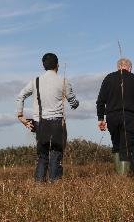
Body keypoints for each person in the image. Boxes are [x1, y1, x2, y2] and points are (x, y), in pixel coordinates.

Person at [16, 53, 79, 182]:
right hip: (57, 123)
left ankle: (39, 185)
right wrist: (75, 103)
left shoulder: (36, 81)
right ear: (58, 65)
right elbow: (73, 103)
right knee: (56, 154)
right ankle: (55, 185)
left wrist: (20, 115)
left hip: (40, 123)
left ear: (43, 66)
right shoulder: (63, 81)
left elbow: (20, 96)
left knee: (42, 156)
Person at [96, 58, 134, 174]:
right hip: (129, 116)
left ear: (118, 66)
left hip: (111, 117)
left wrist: (100, 118)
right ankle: (123, 181)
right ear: (130, 68)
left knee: (116, 145)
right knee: (126, 147)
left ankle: (120, 177)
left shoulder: (108, 78)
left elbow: (100, 101)